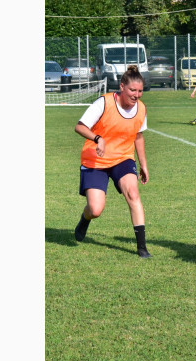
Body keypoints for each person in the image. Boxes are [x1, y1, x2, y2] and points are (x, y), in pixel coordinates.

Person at [73, 65, 152, 258]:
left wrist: (143, 165)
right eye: (133, 90)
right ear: (122, 86)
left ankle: (142, 248)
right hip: (96, 159)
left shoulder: (141, 108)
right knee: (96, 209)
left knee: (133, 193)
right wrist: (98, 138)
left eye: (140, 91)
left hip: (123, 158)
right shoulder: (104, 103)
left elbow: (138, 137)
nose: (137, 95)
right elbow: (80, 127)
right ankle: (85, 218)